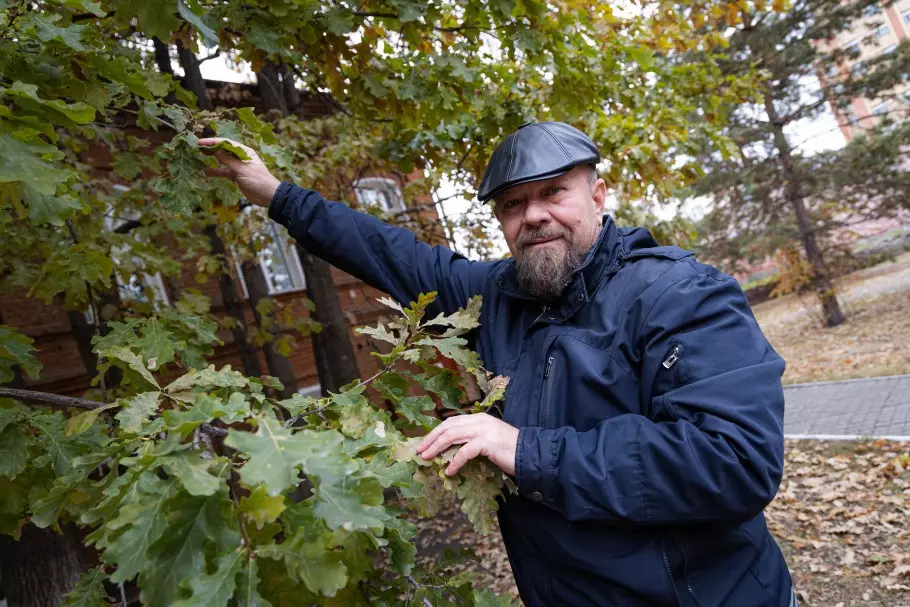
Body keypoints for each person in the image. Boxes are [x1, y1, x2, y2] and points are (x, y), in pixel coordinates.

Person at [201, 121, 798, 607]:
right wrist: (273, 192)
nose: (532, 215)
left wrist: (525, 450)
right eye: (514, 204)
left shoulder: (678, 293)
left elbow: (735, 459)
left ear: (597, 195)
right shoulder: (497, 296)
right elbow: (386, 248)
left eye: (552, 193)